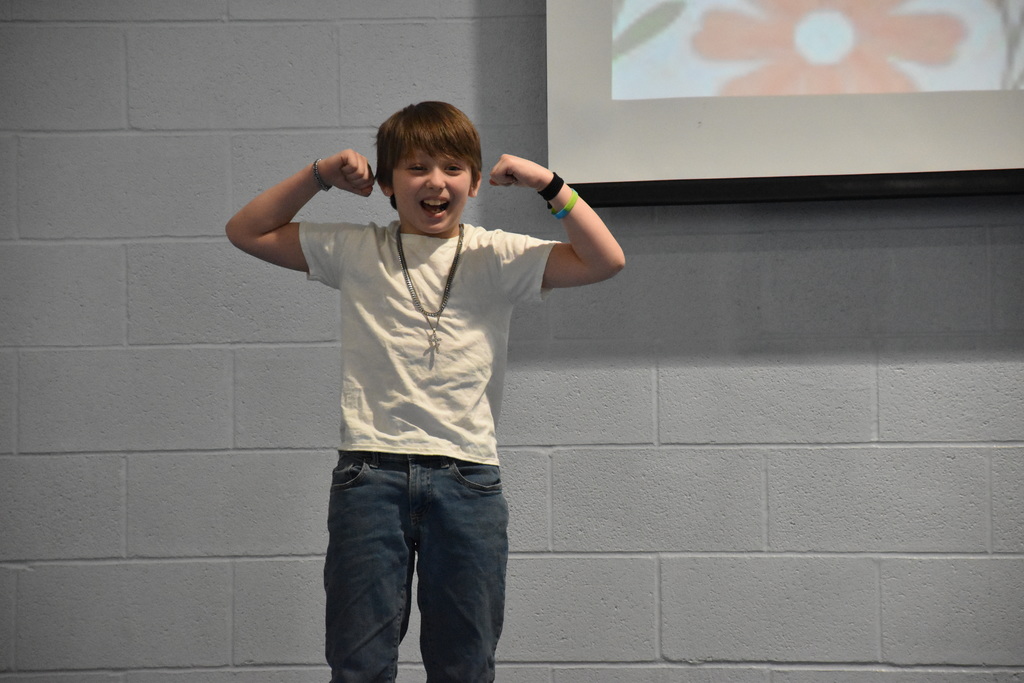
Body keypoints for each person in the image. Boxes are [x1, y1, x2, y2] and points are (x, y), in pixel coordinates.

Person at [225, 101, 624, 683]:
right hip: (369, 477)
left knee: (464, 664)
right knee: (359, 664)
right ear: (387, 183)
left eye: (453, 168)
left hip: (467, 481)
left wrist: (548, 184)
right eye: (416, 168)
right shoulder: (358, 250)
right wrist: (319, 175)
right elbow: (246, 230)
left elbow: (605, 259)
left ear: (475, 180)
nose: (436, 182)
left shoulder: (497, 253)